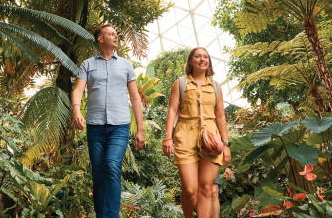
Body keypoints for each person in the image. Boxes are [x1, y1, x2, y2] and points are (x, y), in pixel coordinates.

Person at [71, 24, 145, 218]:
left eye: (116, 34)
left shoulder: (126, 65)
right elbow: (78, 90)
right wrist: (76, 110)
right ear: (100, 39)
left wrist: (141, 130)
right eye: (111, 34)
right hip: (95, 125)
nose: (116, 36)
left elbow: (135, 97)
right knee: (98, 174)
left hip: (120, 125)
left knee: (112, 166)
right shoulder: (88, 64)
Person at [162, 47, 231, 218]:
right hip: (185, 136)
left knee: (206, 189)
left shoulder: (216, 86)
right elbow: (172, 111)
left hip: (211, 140)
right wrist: (168, 137)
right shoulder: (181, 83)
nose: (202, 59)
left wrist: (226, 144)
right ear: (191, 61)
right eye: (198, 56)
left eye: (205, 57)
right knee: (190, 190)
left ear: (209, 61)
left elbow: (220, 116)